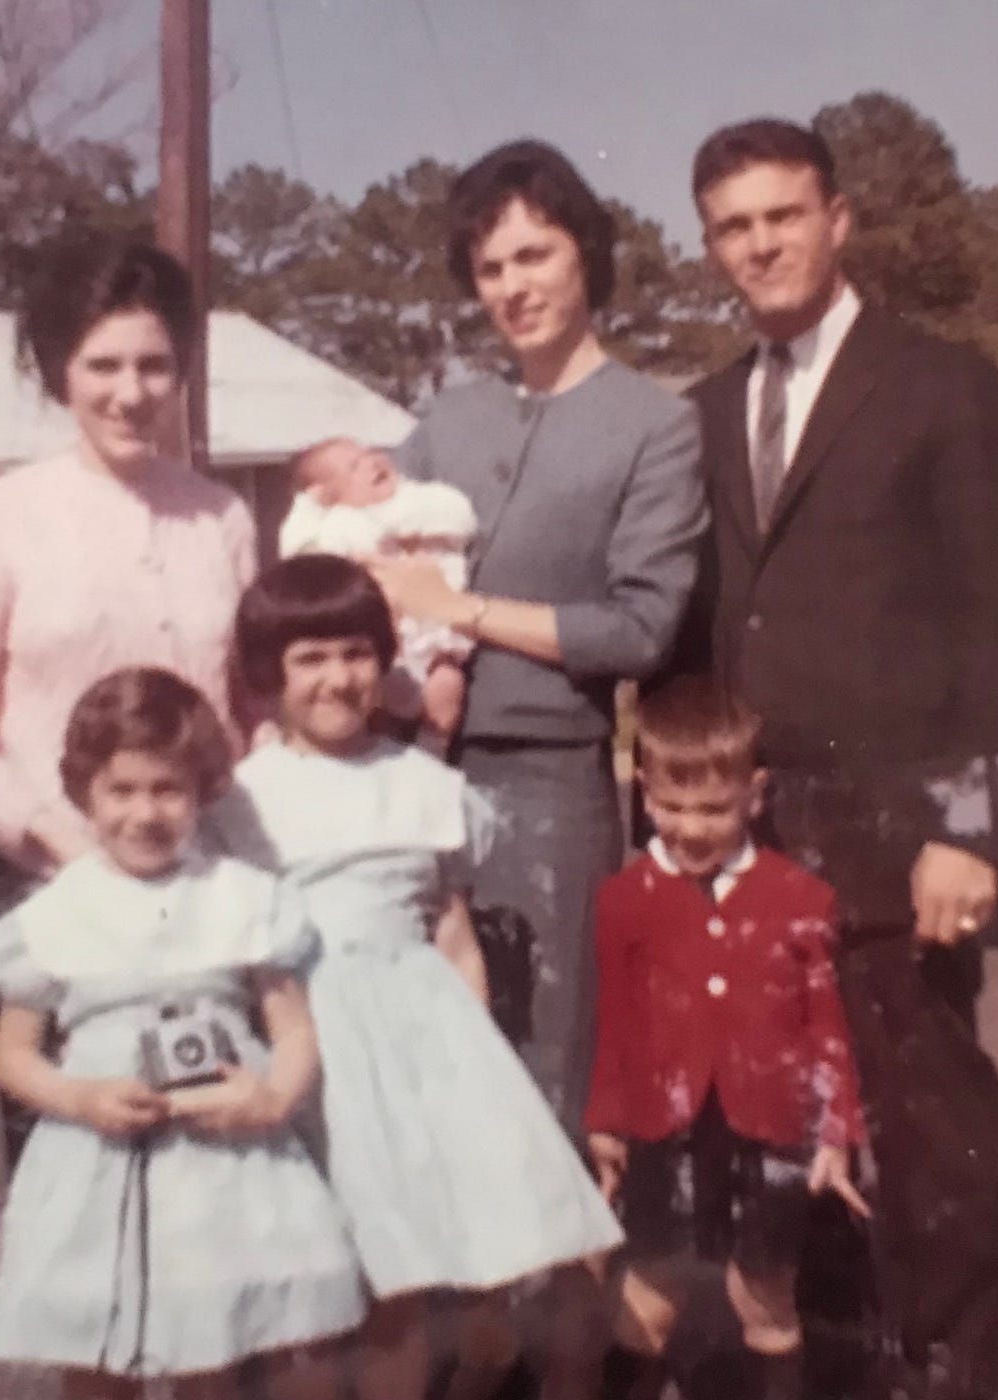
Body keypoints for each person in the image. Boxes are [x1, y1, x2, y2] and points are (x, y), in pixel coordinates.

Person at [682, 116, 998, 1400]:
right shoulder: (710, 406)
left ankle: (960, 1362)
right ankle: (838, 1352)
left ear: (838, 220)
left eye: (782, 214)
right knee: (786, 1113)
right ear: (709, 245)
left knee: (925, 1114)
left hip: (903, 829)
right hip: (761, 825)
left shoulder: (942, 382)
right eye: (732, 224)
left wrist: (971, 827)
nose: (759, 242)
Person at [211, 555, 624, 1400]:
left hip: (416, 1042)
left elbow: (451, 932)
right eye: (311, 659)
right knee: (314, 1284)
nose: (339, 678)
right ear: (267, 676)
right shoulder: (242, 799)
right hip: (303, 1043)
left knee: (399, 1281)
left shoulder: (424, 786)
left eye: (358, 654)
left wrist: (467, 1064)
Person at [368, 139, 706, 1136]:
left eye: (534, 254)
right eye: (489, 267)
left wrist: (461, 608)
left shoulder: (653, 423)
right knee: (420, 1055)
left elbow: (638, 627)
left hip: (549, 784)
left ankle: (554, 1288)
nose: (513, 286)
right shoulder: (442, 420)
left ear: (584, 254)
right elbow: (367, 565)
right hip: (409, 769)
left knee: (546, 1063)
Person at [0, 231, 256, 1166]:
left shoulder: (221, 517)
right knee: (74, 1176)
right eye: (103, 365)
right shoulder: (0, 522)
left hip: (205, 892)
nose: (130, 392)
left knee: (214, 1169)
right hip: (56, 894)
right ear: (60, 369)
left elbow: (247, 714)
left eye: (154, 365)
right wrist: (56, 836)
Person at [0, 667, 364, 1399]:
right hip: (96, 1161)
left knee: (211, 1354)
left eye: (167, 790)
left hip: (222, 1163)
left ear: (203, 791)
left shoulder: (241, 897)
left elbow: (294, 1031)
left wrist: (271, 1099)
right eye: (121, 790)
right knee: (96, 1354)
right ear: (86, 791)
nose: (144, 813)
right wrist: (81, 1096)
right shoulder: (58, 912)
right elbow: (13, 1055)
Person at [587, 678, 867, 1400]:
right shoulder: (624, 900)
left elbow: (826, 1026)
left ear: (756, 794)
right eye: (672, 806)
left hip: (772, 1133)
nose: (691, 826)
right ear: (644, 792)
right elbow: (617, 1021)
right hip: (664, 1125)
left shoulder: (800, 897)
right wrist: (606, 1126)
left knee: (762, 1293)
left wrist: (835, 1135)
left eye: (713, 808)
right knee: (651, 1287)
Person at [278, 435, 476, 742]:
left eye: (370, 453)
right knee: (375, 707)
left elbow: (460, 517)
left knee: (447, 691)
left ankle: (432, 753)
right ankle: (384, 753)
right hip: (383, 645)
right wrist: (308, 506)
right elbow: (299, 551)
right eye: (354, 466)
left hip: (437, 639)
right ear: (327, 495)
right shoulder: (339, 523)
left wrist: (389, 521)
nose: (372, 462)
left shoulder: (419, 499)